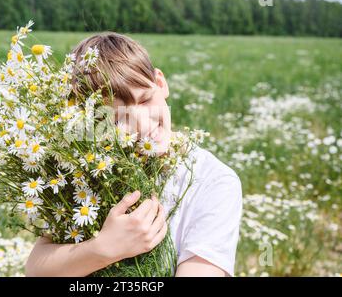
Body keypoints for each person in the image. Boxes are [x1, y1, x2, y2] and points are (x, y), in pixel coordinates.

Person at [25, 32, 242, 277]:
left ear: (160, 83)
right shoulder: (89, 174)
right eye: (116, 118)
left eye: (145, 100)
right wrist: (103, 249)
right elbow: (36, 269)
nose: (140, 124)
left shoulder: (213, 181)